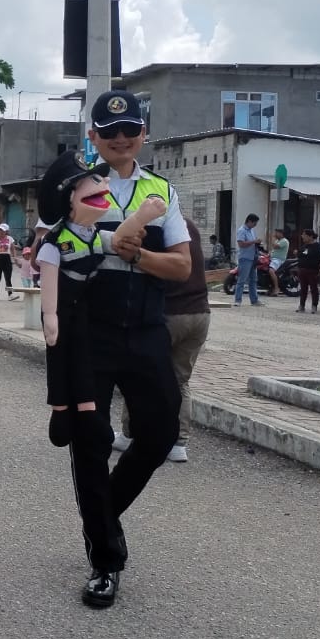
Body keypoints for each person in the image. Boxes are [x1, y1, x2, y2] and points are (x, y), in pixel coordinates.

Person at [64, 89, 192, 608]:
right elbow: (51, 249)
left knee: (160, 433)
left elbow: (181, 266)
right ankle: (106, 559)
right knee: (90, 441)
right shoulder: (77, 186)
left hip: (145, 329)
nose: (120, 139)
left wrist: (136, 255)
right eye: (109, 132)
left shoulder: (162, 191)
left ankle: (101, 514)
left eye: (129, 130)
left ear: (143, 134)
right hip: (88, 331)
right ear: (93, 137)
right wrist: (106, 243)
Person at [38, 154, 164, 448]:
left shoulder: (93, 234)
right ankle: (60, 410)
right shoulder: (56, 241)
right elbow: (48, 279)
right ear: (69, 197)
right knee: (59, 358)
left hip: (84, 308)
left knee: (83, 357)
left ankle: (87, 410)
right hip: (61, 309)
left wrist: (141, 217)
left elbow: (119, 240)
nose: (103, 183)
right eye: (92, 181)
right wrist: (50, 316)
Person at [115, 217, 210, 464]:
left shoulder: (155, 228)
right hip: (200, 313)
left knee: (137, 374)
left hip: (168, 313)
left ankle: (129, 433)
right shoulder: (189, 226)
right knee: (180, 380)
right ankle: (179, 443)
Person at [233, 213, 262, 306]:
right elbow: (241, 244)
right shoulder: (242, 230)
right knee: (242, 280)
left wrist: (257, 243)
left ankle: (254, 300)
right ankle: (238, 300)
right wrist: (253, 241)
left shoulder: (252, 230)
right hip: (245, 258)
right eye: (254, 223)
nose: (255, 225)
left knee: (253, 280)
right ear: (249, 221)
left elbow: (253, 242)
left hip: (253, 258)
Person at [295, 228, 320, 313]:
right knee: (303, 289)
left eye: (304, 235)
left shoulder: (318, 246)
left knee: (313, 289)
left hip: (312, 270)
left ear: (310, 236)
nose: (302, 236)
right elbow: (299, 256)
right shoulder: (304, 246)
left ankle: (314, 306)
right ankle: (301, 306)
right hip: (302, 270)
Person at [0, 222, 16, 301]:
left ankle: (10, 294)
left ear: (6, 231)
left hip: (7, 258)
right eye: (0, 230)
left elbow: (13, 249)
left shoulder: (10, 239)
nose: (1, 232)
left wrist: (14, 258)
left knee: (8, 278)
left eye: (3, 230)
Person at [267, 228, 290, 296]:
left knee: (271, 271)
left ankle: (276, 288)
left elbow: (275, 246)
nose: (275, 234)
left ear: (281, 234)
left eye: (276, 233)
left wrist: (272, 238)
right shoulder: (277, 240)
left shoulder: (284, 241)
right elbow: (273, 249)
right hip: (273, 259)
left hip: (278, 259)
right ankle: (270, 287)